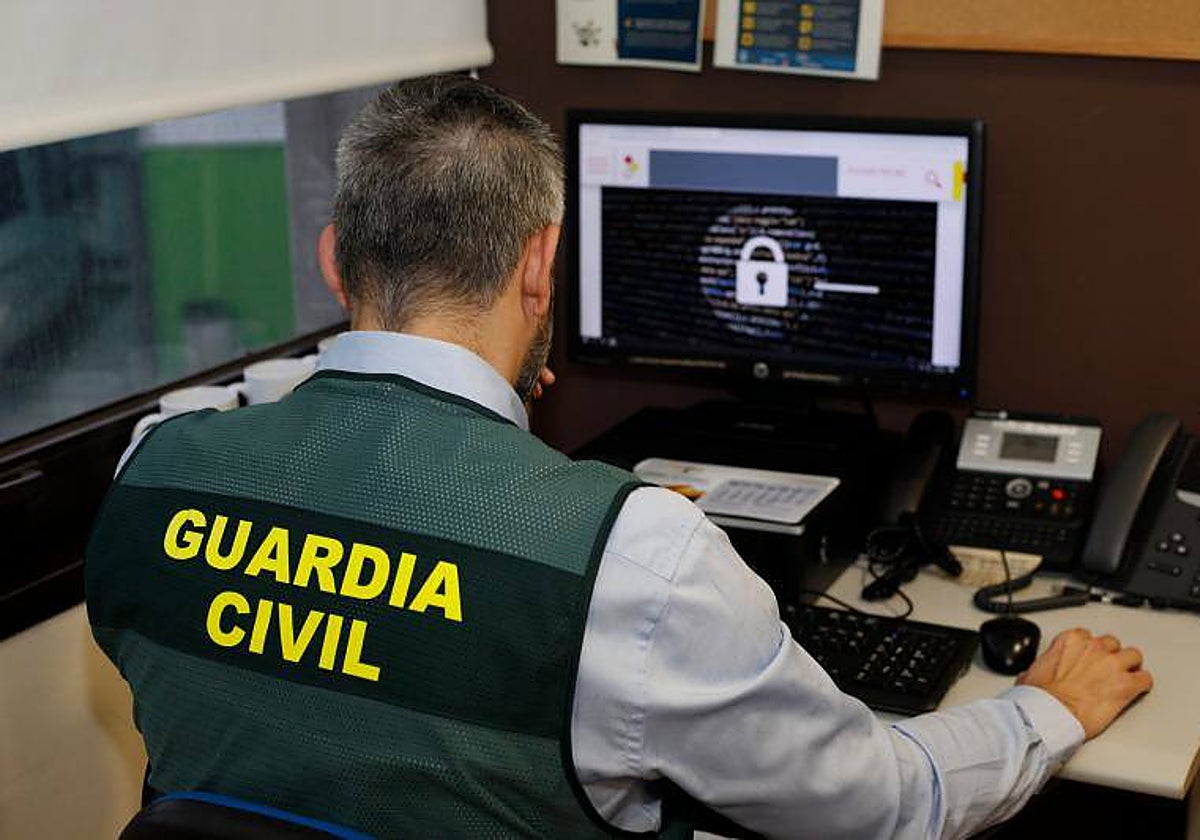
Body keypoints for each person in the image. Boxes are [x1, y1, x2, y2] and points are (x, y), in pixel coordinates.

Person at [86, 75, 1152, 839]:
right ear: (543, 263)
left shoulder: (153, 470)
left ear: (333, 259)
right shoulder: (638, 558)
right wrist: (1048, 707)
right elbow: (881, 805)